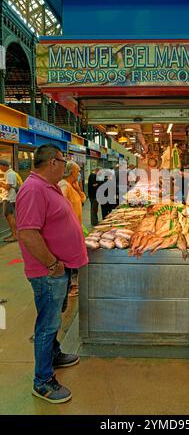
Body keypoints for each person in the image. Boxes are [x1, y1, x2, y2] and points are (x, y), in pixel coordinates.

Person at [16, 144, 88, 404]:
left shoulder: (49, 186)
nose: (65, 165)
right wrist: (52, 264)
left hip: (59, 268)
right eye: (62, 160)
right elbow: (27, 233)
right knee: (47, 325)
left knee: (53, 320)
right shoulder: (33, 189)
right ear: (52, 162)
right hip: (47, 272)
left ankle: (54, 354)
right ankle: (43, 381)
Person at [58, 161, 86, 297]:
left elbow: (83, 199)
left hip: (75, 227)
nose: (79, 173)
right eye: (78, 171)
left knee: (75, 257)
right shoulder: (64, 185)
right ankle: (71, 287)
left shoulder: (71, 185)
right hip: (68, 230)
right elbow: (60, 205)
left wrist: (78, 189)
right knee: (71, 259)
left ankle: (73, 284)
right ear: (71, 172)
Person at [0, 159, 18, 242]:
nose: (0, 169)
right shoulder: (11, 173)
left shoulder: (9, 174)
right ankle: (14, 233)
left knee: (9, 217)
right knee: (10, 216)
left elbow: (8, 187)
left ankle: (15, 235)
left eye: (0, 167)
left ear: (4, 166)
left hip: (8, 198)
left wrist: (1, 183)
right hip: (10, 198)